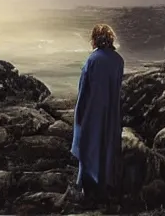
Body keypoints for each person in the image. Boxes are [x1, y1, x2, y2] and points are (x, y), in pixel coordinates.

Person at [71, 23, 125, 205]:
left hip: (92, 110)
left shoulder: (92, 60)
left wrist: (78, 114)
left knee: (89, 144)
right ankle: (107, 186)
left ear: (94, 39)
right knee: (108, 144)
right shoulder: (119, 60)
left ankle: (88, 190)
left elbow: (83, 88)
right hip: (111, 110)